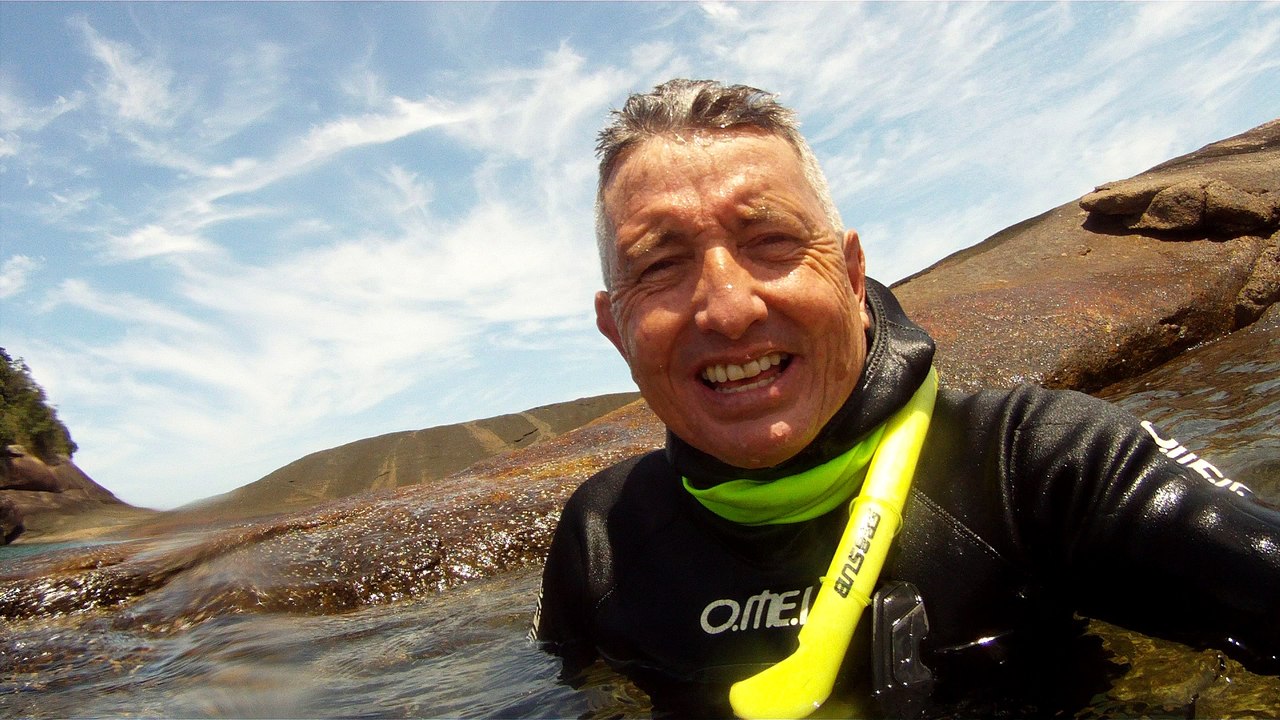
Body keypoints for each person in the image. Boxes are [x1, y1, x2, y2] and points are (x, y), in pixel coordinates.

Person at [531, 79, 1280, 717]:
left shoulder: (1041, 465)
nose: (728, 309)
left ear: (852, 275)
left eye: (771, 242)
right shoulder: (600, 542)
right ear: (615, 328)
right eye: (659, 263)